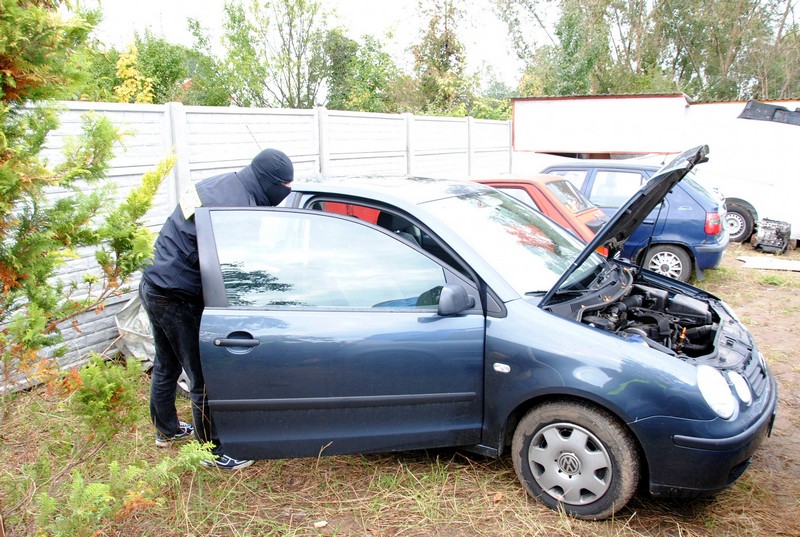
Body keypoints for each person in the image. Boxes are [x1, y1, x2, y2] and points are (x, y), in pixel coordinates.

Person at [140, 148, 294, 470]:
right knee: (203, 376)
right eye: (284, 187)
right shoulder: (236, 209)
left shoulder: (217, 184)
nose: (285, 193)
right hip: (176, 295)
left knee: (167, 363)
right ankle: (212, 450)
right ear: (270, 183)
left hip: (155, 282)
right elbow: (232, 267)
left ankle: (166, 430)